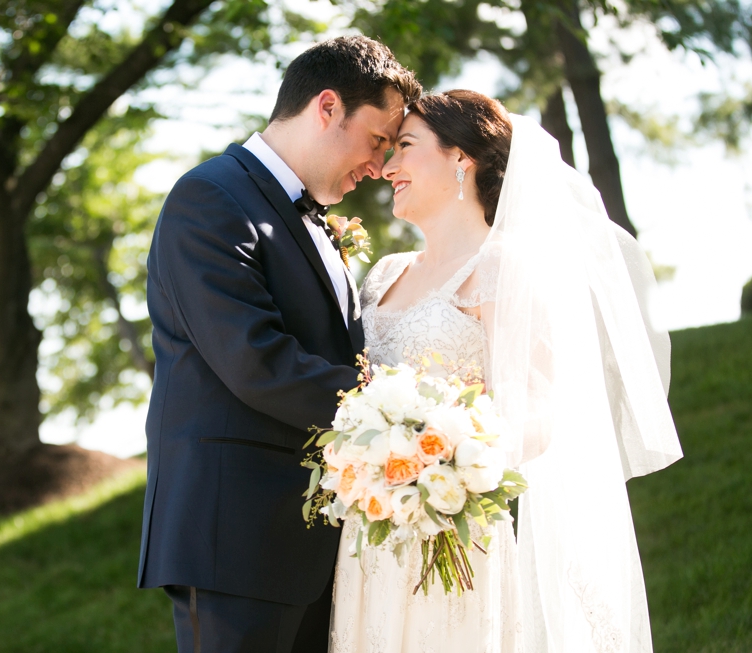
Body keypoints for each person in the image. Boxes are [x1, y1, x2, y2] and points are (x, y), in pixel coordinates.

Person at [330, 90, 683, 652]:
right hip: (369, 529)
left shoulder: (502, 267)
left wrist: (445, 458)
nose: (388, 167)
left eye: (405, 147)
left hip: (450, 522)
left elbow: (542, 412)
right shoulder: (383, 274)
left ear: (460, 159)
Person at [136, 36, 421, 653]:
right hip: (232, 537)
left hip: (313, 539)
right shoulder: (209, 197)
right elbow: (256, 360)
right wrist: (408, 420)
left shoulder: (311, 217)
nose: (378, 164)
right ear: (326, 106)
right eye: (377, 139)